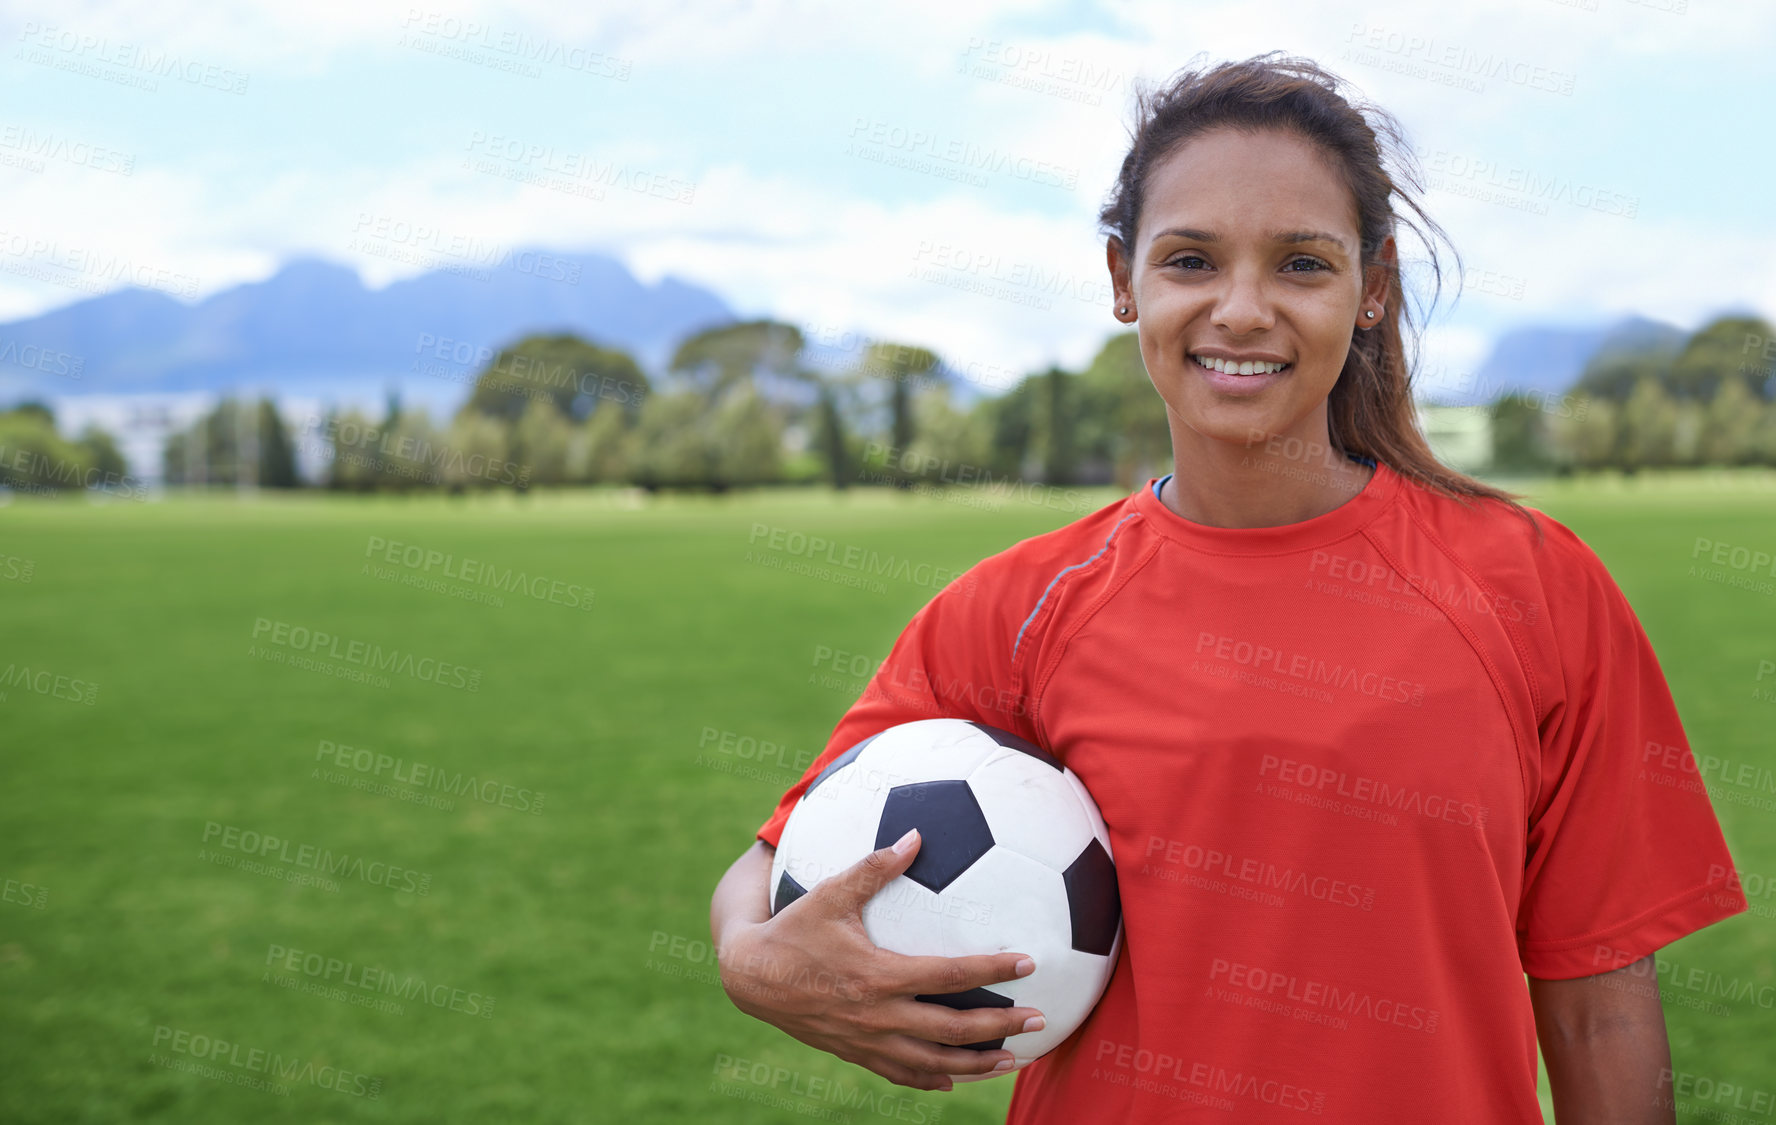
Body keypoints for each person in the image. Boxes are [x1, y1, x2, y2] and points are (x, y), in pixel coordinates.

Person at [709, 52, 1747, 1124]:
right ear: (1125, 280)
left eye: (1301, 264)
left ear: (1373, 287)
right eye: (1192, 260)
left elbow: (1600, 1007)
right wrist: (753, 966)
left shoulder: (1535, 587)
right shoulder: (1013, 611)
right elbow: (767, 869)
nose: (1241, 310)